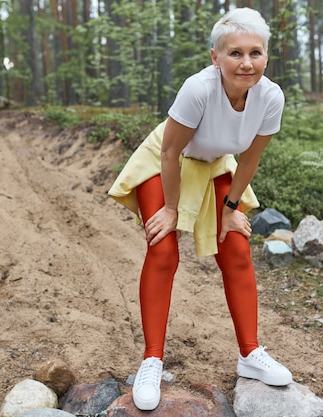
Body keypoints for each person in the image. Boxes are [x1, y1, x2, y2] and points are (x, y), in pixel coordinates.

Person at [108, 7, 292, 411]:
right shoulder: (199, 88)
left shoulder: (271, 97)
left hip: (215, 165)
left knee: (237, 245)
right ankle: (152, 360)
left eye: (255, 53)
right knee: (162, 247)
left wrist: (230, 208)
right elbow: (171, 152)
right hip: (167, 162)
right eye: (235, 53)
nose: (246, 63)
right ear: (216, 57)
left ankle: (250, 355)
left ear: (266, 57)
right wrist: (171, 209)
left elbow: (249, 161)